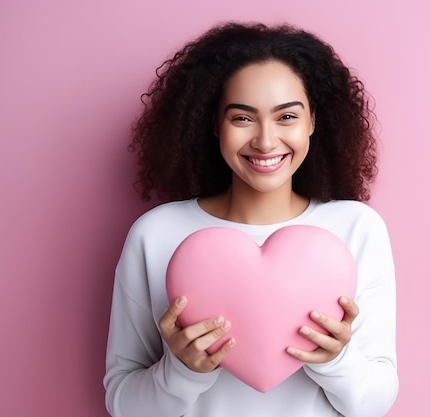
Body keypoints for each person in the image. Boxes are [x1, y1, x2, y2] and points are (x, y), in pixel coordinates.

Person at [104, 22, 398, 417]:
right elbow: (122, 404)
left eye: (287, 117)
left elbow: (375, 404)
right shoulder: (156, 235)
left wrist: (336, 361)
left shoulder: (357, 230)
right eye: (242, 118)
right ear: (214, 124)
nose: (265, 140)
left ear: (313, 121)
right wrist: (182, 372)